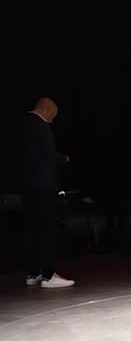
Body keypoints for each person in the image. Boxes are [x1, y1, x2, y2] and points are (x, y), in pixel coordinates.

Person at [20, 97, 75, 288]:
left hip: (27, 186)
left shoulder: (22, 125)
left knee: (32, 230)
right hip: (44, 186)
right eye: (52, 116)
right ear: (46, 109)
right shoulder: (41, 126)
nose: (52, 120)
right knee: (47, 230)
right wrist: (63, 160)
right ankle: (48, 275)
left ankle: (33, 273)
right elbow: (49, 155)